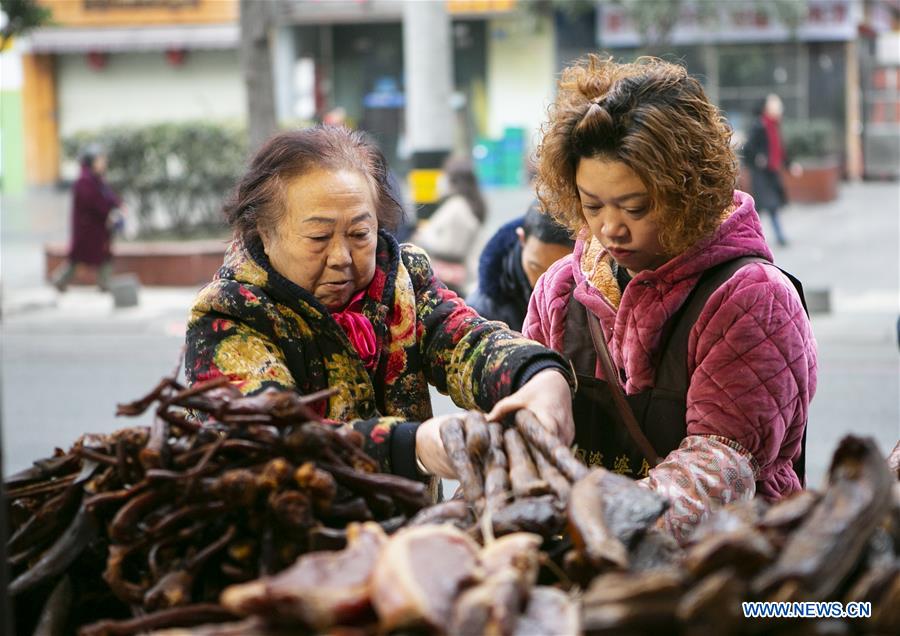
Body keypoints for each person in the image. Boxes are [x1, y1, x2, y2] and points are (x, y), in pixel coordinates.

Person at [523, 56, 817, 542]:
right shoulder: (559, 289)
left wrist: (599, 526)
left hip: (720, 573)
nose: (610, 228)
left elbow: (718, 469)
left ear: (688, 190)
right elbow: (529, 437)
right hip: (587, 562)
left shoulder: (752, 298)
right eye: (592, 205)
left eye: (635, 207)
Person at [185, 126, 575, 484]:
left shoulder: (403, 279)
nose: (341, 256)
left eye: (359, 233)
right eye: (319, 236)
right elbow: (271, 440)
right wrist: (412, 446)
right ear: (265, 234)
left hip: (408, 543)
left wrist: (537, 374)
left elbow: (465, 341)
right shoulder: (230, 314)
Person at [467, 201, 574, 330]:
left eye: (560, 272)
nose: (545, 283)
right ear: (522, 238)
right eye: (535, 267)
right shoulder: (482, 310)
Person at [51, 146, 125, 292]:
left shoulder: (97, 180)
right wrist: (108, 212)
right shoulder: (84, 181)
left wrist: (118, 205)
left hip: (98, 228)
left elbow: (109, 197)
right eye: (100, 160)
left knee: (104, 255)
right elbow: (94, 202)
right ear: (91, 162)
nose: (103, 163)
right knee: (79, 258)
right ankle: (60, 280)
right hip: (88, 230)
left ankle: (104, 283)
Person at [410, 156, 486, 291]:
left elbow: (452, 248)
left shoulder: (457, 207)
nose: (440, 180)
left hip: (454, 283)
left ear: (452, 180)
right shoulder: (464, 204)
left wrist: (423, 236)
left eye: (443, 174)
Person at [743, 94, 802, 247]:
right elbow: (748, 147)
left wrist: (790, 165)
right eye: (775, 104)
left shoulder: (774, 125)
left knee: (770, 206)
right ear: (766, 108)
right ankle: (754, 238)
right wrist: (758, 158)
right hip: (761, 173)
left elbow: (780, 149)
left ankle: (762, 237)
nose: (778, 107)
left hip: (772, 172)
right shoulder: (759, 125)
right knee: (765, 206)